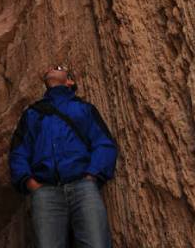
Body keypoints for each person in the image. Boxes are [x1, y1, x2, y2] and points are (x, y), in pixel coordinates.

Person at [9, 65, 117, 248]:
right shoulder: (32, 114)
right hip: (46, 192)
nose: (52, 68)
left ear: (70, 81)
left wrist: (91, 176)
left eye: (59, 67)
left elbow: (103, 143)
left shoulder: (83, 109)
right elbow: (18, 152)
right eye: (50, 68)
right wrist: (31, 183)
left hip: (83, 186)